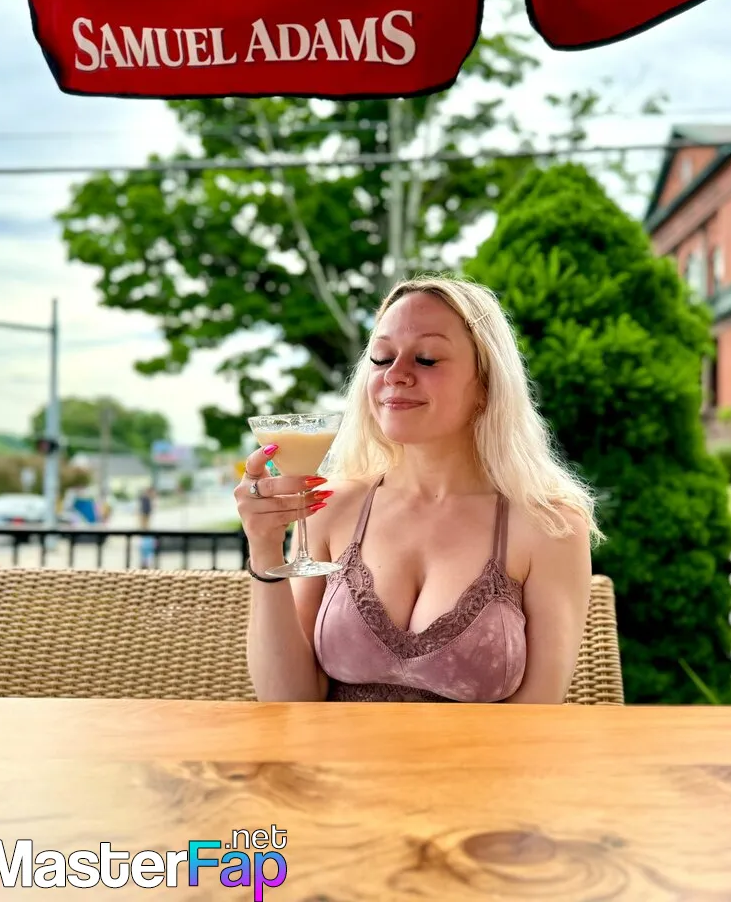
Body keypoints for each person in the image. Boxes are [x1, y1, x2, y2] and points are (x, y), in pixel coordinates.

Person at [235, 275, 603, 704]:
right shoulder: (330, 505)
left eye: (426, 359)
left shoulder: (550, 526)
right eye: (381, 357)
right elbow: (286, 700)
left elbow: (538, 714)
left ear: (486, 385)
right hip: (331, 749)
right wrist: (264, 547)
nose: (395, 374)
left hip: (484, 751)